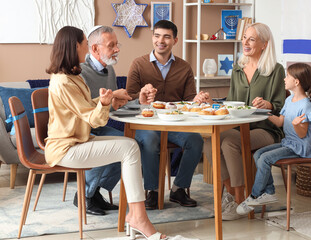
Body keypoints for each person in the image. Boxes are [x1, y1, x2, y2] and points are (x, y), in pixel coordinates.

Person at [45, 26, 166, 239]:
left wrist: (110, 100)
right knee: (129, 147)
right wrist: (103, 102)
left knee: (130, 145)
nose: (85, 50)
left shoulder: (71, 76)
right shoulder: (64, 81)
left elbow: (85, 106)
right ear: (77, 47)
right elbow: (93, 117)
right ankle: (137, 217)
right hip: (66, 148)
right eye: (84, 44)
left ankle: (136, 215)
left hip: (78, 140)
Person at [203, 22, 286, 220]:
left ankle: (240, 200)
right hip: (240, 127)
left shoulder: (276, 70)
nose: (245, 43)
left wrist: (267, 104)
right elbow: (231, 104)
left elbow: (281, 106)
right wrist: (211, 102)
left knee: (230, 142)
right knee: (209, 141)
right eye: (244, 38)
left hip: (267, 130)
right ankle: (231, 195)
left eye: (251, 39)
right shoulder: (237, 69)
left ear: (264, 44)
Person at [126, 20, 207, 210]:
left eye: (166, 37)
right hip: (145, 123)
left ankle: (179, 188)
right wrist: (140, 97)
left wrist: (197, 100)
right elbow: (128, 98)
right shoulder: (138, 64)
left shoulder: (184, 67)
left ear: (175, 40)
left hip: (174, 123)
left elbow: (189, 100)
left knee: (195, 140)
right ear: (152, 37)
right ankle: (152, 192)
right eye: (157, 35)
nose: (160, 41)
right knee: (151, 140)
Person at [79, 25, 156, 215]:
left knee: (133, 143)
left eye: (117, 44)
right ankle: (84, 195)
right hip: (83, 130)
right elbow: (82, 110)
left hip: (99, 126)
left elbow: (115, 105)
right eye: (111, 45)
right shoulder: (80, 73)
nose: (117, 49)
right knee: (120, 143)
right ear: (95, 49)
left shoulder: (109, 70)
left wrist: (139, 100)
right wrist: (110, 99)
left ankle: (95, 191)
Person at [236, 62, 311, 215]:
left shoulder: (306, 106)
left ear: (296, 81)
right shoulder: (289, 100)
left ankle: (254, 196)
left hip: (300, 148)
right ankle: (269, 191)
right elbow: (280, 122)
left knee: (266, 158)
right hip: (288, 143)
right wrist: (264, 112)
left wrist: (296, 125)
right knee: (258, 154)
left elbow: (302, 135)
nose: (284, 79)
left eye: (287, 76)